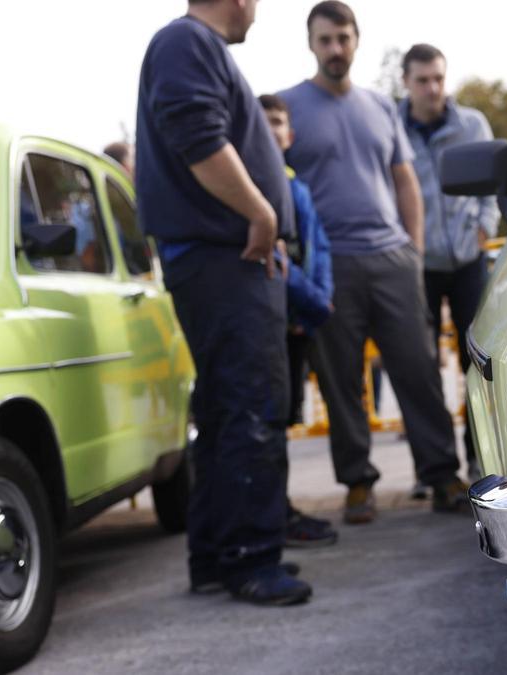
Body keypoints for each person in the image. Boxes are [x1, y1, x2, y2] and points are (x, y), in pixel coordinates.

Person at [136, 0, 310, 605]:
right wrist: (261, 212)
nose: (257, 10)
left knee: (224, 410)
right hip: (224, 260)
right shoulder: (186, 42)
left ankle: (216, 554)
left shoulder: (188, 46)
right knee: (251, 405)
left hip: (220, 260)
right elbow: (198, 137)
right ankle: (251, 558)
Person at [279, 1, 468, 524]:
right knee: (340, 380)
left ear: (356, 40)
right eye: (325, 40)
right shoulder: (288, 106)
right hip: (330, 265)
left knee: (418, 370)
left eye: (343, 38)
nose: (335, 48)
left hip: (391, 259)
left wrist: (413, 250)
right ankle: (358, 482)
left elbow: (405, 180)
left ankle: (442, 475)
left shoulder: (381, 107)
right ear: (311, 45)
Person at [400, 44, 500, 483]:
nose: (433, 88)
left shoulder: (472, 124)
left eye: (438, 78)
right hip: (417, 265)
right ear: (406, 82)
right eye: (422, 80)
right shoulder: (392, 128)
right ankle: (436, 470)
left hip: (466, 260)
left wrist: (483, 227)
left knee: (476, 363)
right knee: (420, 369)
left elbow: (492, 184)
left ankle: (479, 457)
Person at [258, 93, 339, 548]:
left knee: (283, 418)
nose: (272, 130)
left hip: (299, 322)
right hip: (276, 322)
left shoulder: (297, 188)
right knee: (267, 421)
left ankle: (280, 509)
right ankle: (274, 515)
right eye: (263, 121)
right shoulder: (256, 185)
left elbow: (317, 248)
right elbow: (276, 262)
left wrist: (317, 298)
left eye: (278, 122)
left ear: (289, 135)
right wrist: (314, 301)